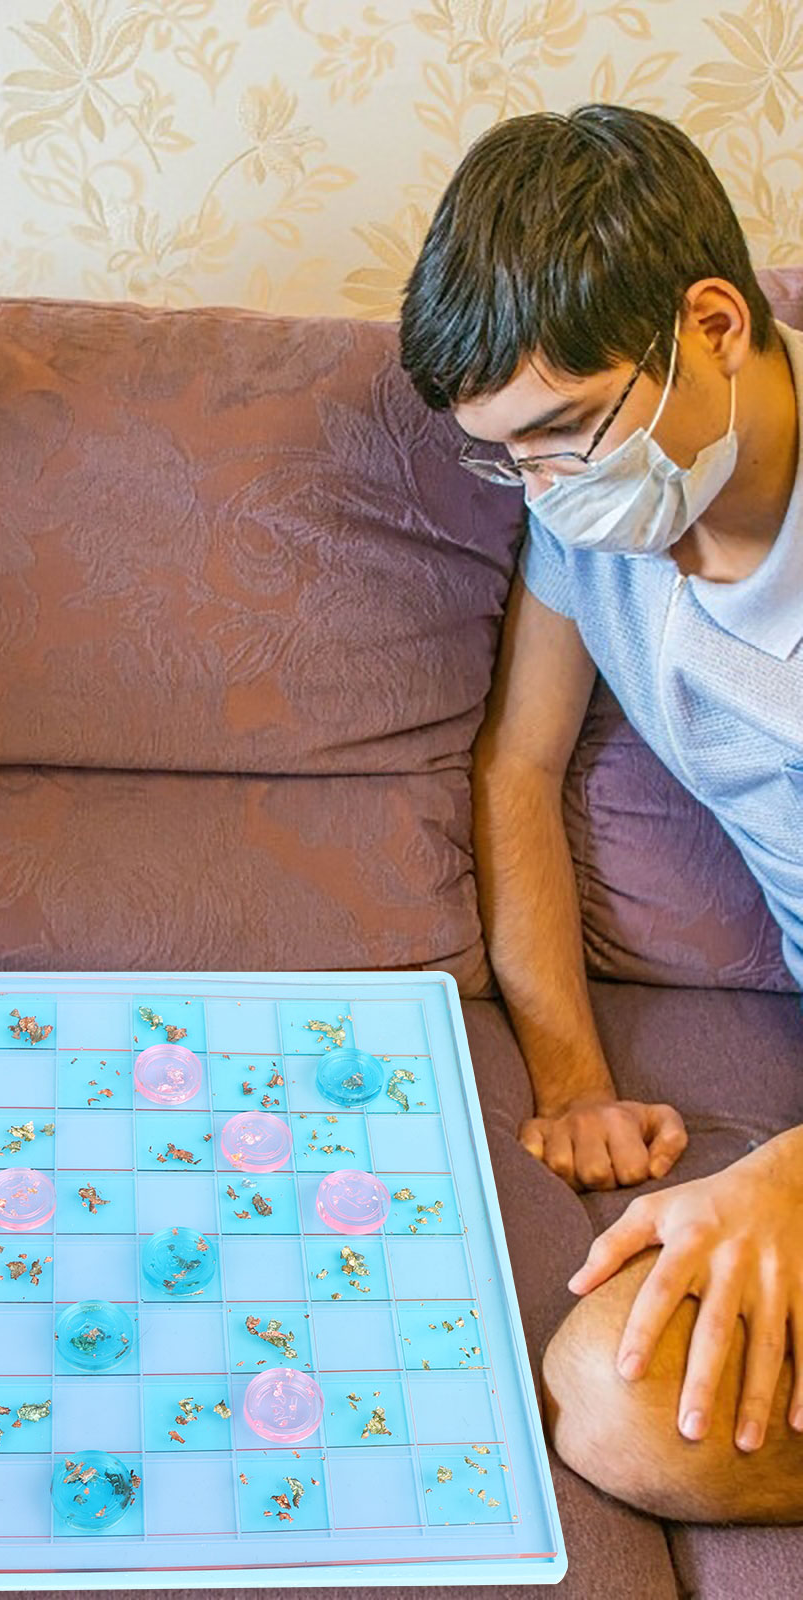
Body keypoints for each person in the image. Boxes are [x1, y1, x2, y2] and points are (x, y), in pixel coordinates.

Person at [399, 103, 803, 1522]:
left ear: (713, 325)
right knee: (617, 1394)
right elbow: (519, 767)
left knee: (632, 1408)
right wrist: (573, 1083)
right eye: (508, 458)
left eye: (568, 432)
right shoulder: (599, 527)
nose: (551, 495)